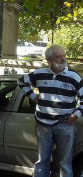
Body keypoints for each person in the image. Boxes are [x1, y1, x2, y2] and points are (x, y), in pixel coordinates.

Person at [18, 45, 83, 177]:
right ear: (49, 60)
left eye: (64, 56)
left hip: (65, 124)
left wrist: (75, 115)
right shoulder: (39, 74)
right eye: (59, 57)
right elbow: (21, 82)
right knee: (42, 160)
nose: (63, 59)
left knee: (65, 161)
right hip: (42, 124)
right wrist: (33, 97)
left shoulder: (74, 76)